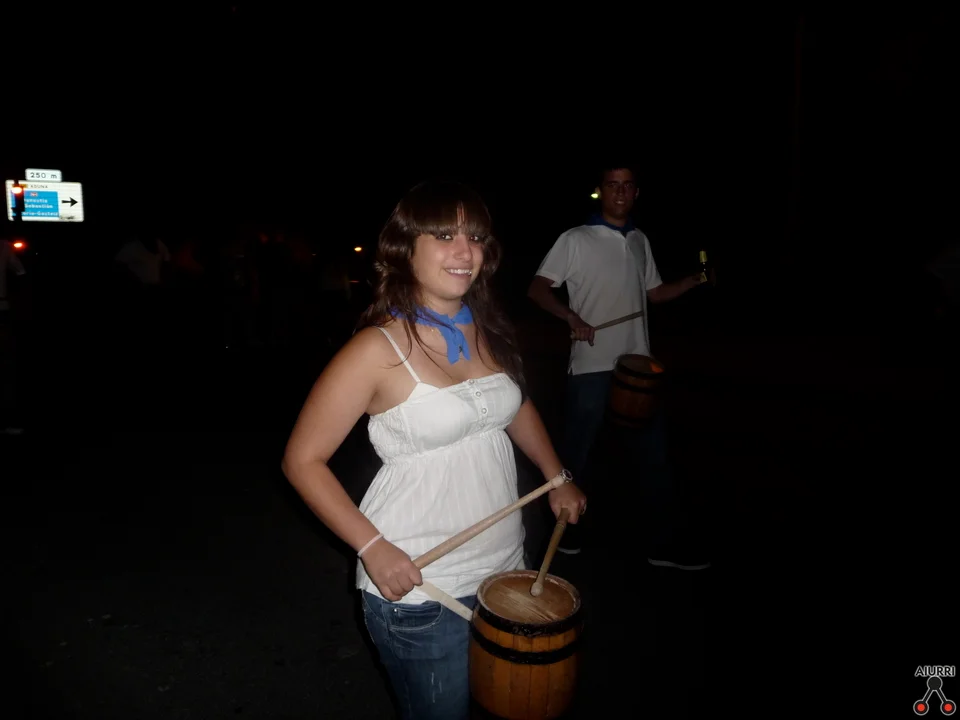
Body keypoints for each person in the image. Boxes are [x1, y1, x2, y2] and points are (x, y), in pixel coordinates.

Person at [281, 179, 586, 720]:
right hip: (421, 585)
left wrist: (556, 475)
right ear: (406, 249)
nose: (465, 251)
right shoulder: (376, 348)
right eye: (444, 235)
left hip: (504, 569)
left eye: (475, 237)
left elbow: (512, 405)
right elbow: (302, 461)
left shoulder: (485, 329)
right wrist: (372, 546)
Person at [527, 163, 709, 568]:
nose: (621, 192)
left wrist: (692, 281)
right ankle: (558, 543)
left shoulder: (640, 240)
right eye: (613, 185)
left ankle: (662, 545)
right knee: (573, 460)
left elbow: (655, 294)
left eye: (627, 186)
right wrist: (571, 317)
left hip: (639, 369)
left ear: (636, 193)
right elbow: (538, 289)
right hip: (591, 366)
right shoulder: (575, 239)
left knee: (655, 459)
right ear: (601, 191)